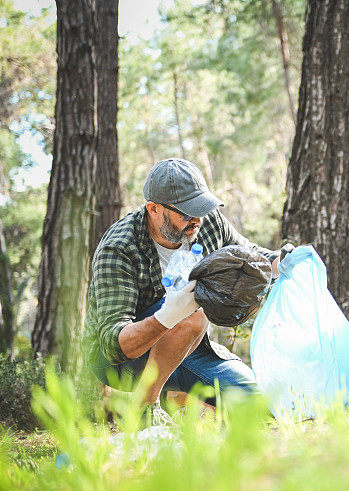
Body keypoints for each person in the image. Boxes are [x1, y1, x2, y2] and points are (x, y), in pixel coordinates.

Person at [84, 158, 280, 423]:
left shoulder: (206, 222)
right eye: (187, 212)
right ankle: (144, 409)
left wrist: (284, 261)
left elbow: (250, 256)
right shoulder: (119, 248)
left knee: (263, 408)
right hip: (121, 363)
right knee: (191, 314)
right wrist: (168, 317)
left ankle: (177, 392)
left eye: (202, 208)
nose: (197, 219)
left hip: (188, 346)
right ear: (153, 209)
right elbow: (113, 345)